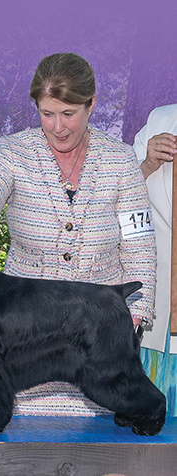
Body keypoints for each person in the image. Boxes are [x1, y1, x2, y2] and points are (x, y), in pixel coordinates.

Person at [0, 52, 156, 415]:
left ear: (91, 104)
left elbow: (139, 246)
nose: (58, 127)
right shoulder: (13, 152)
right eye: (47, 114)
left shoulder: (122, 161)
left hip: (97, 348)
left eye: (68, 113)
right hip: (26, 344)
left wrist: (132, 317)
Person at [133, 103, 177, 416]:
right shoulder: (160, 120)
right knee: (150, 419)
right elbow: (117, 199)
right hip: (158, 314)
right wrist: (147, 164)